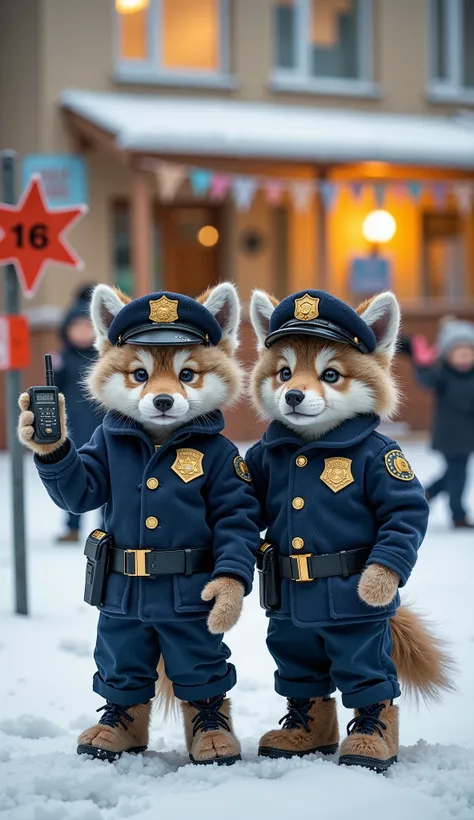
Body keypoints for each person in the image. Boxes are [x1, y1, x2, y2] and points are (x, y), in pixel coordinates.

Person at [52, 285, 105, 542]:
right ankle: (72, 526)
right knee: (74, 481)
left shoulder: (104, 359)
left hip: (103, 430)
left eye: (88, 327)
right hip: (73, 431)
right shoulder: (62, 359)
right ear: (66, 330)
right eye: (77, 327)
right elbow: (54, 391)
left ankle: (108, 526)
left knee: (108, 481)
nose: (83, 332)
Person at [411, 318, 474, 529]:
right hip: (450, 435)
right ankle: (459, 516)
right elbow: (427, 381)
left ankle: (427, 493)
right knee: (458, 474)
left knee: (455, 472)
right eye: (459, 352)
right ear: (448, 354)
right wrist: (423, 365)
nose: (465, 357)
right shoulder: (443, 375)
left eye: (469, 352)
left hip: (468, 434)